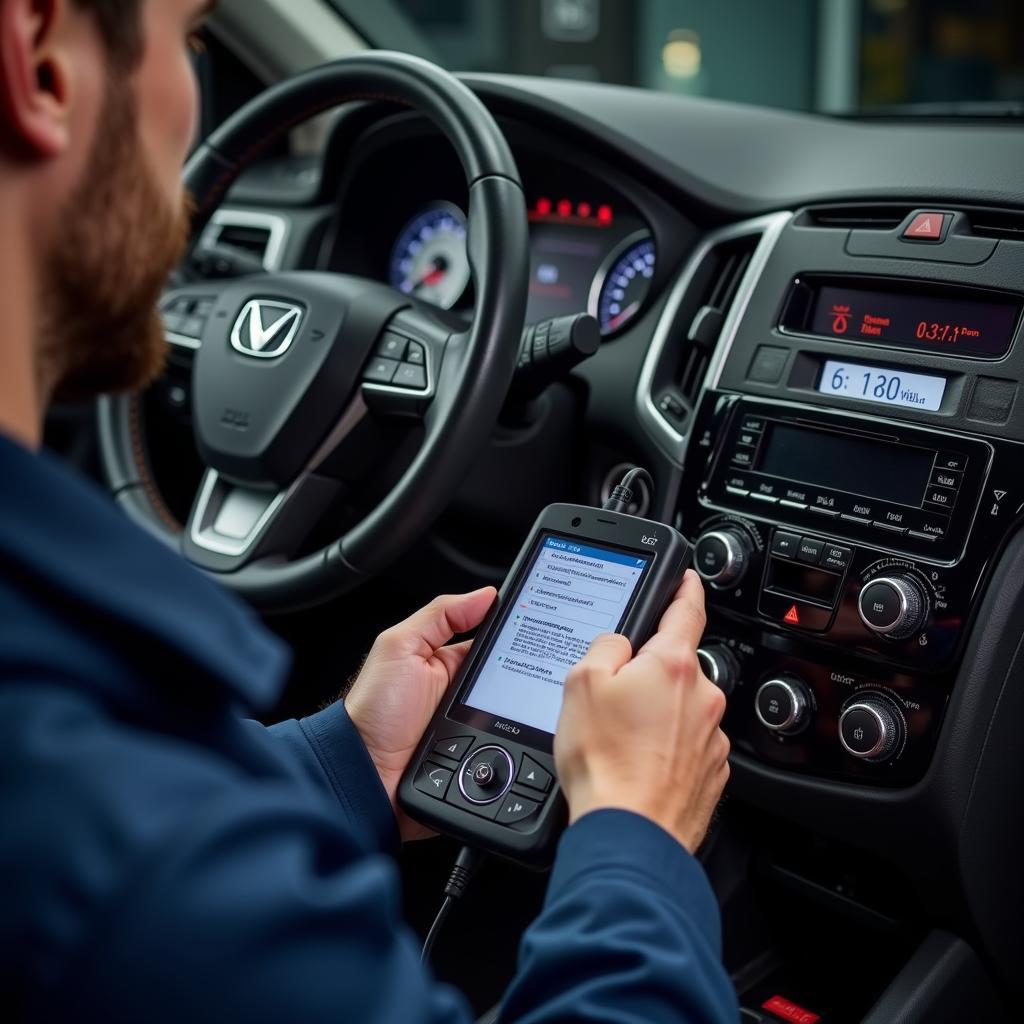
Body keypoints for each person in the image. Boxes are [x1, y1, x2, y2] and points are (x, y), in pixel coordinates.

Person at [0, 1, 736, 1020]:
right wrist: (637, 835)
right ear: (38, 64)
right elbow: (148, 859)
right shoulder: (129, 857)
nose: (191, 101)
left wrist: (348, 763)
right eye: (189, 43)